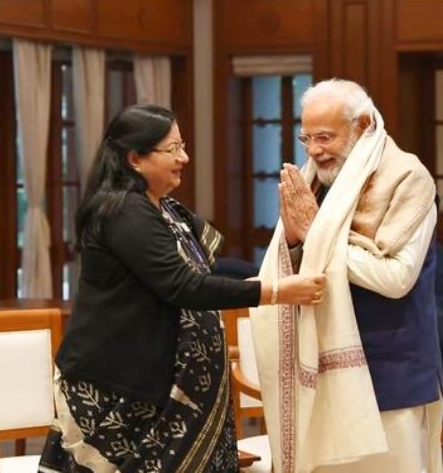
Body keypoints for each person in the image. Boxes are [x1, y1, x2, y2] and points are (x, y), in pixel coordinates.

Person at [38, 104, 325, 473]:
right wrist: (274, 292)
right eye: (172, 149)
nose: (184, 158)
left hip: (164, 385)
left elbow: (209, 268)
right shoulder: (122, 211)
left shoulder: (166, 209)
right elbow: (183, 285)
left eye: (182, 146)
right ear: (135, 159)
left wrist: (286, 252)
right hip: (120, 384)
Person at [254, 79, 443, 472]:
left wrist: (314, 233)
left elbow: (395, 279)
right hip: (318, 370)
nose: (313, 151)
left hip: (389, 373)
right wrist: (293, 240)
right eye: (306, 138)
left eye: (325, 137)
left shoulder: (407, 179)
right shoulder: (315, 182)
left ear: (364, 126)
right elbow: (302, 257)